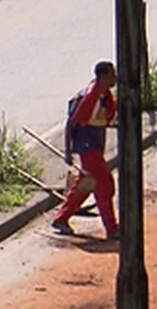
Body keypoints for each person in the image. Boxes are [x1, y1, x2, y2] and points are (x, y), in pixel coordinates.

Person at [51, 60, 119, 240]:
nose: (115, 78)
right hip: (88, 149)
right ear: (103, 76)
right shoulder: (90, 97)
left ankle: (61, 218)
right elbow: (72, 123)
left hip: (96, 147)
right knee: (104, 185)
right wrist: (68, 151)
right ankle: (112, 228)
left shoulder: (104, 97)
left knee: (86, 185)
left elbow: (102, 121)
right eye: (112, 74)